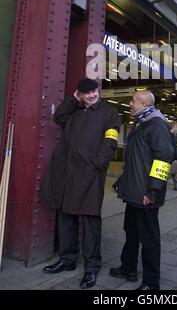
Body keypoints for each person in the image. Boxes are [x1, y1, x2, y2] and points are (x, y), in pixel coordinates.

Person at [39, 78, 121, 289]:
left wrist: (97, 164)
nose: (93, 95)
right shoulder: (74, 110)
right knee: (66, 216)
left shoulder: (109, 113)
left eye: (94, 91)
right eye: (87, 93)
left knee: (90, 220)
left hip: (90, 174)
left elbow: (110, 141)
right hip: (67, 173)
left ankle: (92, 267)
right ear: (80, 95)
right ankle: (67, 260)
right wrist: (74, 99)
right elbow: (59, 117)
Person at [109, 91, 174, 290]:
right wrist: (123, 180)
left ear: (144, 103)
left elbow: (164, 159)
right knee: (131, 232)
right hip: (134, 192)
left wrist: (153, 191)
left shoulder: (156, 125)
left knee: (149, 240)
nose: (130, 103)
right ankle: (128, 268)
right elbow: (137, 159)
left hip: (146, 194)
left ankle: (151, 282)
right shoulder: (141, 123)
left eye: (133, 101)